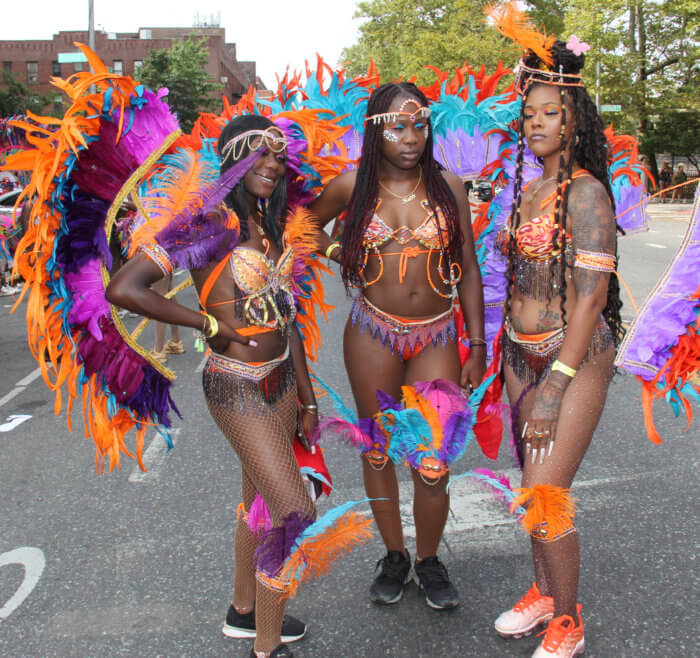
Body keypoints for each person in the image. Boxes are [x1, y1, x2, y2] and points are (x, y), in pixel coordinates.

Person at [107, 115, 354, 658]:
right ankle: (266, 647)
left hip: (283, 383)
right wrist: (207, 324)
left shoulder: (268, 226)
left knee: (258, 506)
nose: (270, 164)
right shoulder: (206, 224)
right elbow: (125, 287)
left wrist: (308, 399)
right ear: (232, 160)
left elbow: (284, 316)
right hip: (237, 387)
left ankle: (244, 612)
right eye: (257, 154)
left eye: (276, 156)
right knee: (293, 514)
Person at [309, 82, 486, 610]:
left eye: (419, 125)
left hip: (437, 333)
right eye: (398, 127)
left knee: (432, 458)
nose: (411, 137)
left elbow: (470, 268)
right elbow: (304, 227)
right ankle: (394, 555)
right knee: (379, 449)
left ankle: (429, 560)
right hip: (371, 334)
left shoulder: (448, 186)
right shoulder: (350, 188)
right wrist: (342, 251)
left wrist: (475, 343)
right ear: (375, 131)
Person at [490, 7, 626, 656]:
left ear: (575, 118)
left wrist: (554, 386)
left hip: (573, 359)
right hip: (521, 355)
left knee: (544, 493)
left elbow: (592, 300)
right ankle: (543, 592)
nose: (536, 122)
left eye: (550, 111)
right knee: (531, 490)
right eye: (529, 113)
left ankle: (568, 618)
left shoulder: (586, 193)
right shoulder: (531, 189)